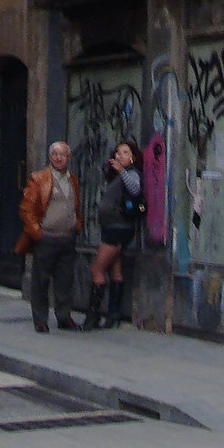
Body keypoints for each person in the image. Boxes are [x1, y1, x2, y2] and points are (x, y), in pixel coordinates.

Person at [16, 141, 83, 333]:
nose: (58, 158)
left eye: (62, 154)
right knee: (41, 280)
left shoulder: (73, 180)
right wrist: (38, 232)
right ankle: (40, 319)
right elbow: (26, 209)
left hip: (67, 238)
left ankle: (64, 316)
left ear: (69, 158)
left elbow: (76, 206)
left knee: (65, 280)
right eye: (54, 154)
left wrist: (77, 224)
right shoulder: (39, 179)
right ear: (49, 157)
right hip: (47, 238)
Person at [82, 141, 142, 332]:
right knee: (115, 270)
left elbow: (135, 189)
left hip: (118, 228)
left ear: (132, 157)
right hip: (112, 227)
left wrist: (122, 172)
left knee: (97, 270)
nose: (119, 156)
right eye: (117, 152)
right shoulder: (115, 176)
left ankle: (92, 316)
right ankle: (114, 313)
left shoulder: (131, 173)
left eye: (125, 152)